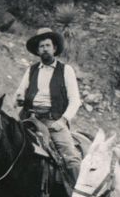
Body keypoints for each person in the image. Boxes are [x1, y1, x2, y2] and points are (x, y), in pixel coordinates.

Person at [14, 27, 82, 185]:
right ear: (37, 51)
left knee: (71, 156)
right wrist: (19, 99)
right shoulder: (31, 70)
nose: (44, 49)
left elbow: (75, 100)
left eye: (47, 45)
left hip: (53, 121)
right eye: (41, 46)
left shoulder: (66, 70)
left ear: (54, 48)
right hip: (29, 118)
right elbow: (19, 93)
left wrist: (63, 120)